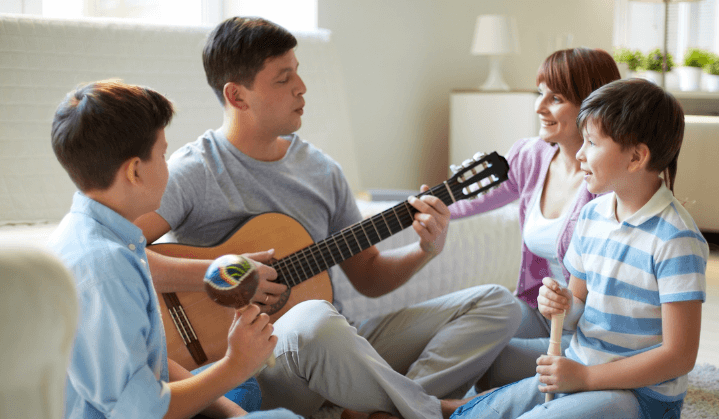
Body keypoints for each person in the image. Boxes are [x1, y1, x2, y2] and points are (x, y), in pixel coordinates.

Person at [133, 16, 521, 419]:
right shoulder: (193, 170)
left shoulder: (321, 170)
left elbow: (368, 275)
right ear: (237, 95)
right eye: (283, 79)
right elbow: (122, 253)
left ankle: (380, 409)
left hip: (337, 337)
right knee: (313, 317)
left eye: (297, 73)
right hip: (255, 357)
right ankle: (419, 409)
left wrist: (425, 249)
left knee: (497, 303)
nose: (301, 87)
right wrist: (220, 272)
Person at [450, 78, 708, 419]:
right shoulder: (592, 214)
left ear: (636, 157)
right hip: (582, 367)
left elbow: (679, 356)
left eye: (591, 143)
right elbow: (576, 312)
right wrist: (562, 305)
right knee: (474, 415)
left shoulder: (676, 239)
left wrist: (586, 377)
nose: (581, 154)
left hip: (640, 397)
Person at [47, 80, 302, 419]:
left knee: (244, 392)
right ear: (135, 171)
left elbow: (145, 362)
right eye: (163, 154)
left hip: (139, 401)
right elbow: (142, 411)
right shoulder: (107, 269)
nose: (169, 165)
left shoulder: (92, 232)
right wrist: (235, 364)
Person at [448, 47, 622, 391]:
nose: (539, 107)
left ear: (591, 105)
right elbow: (472, 201)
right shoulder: (530, 155)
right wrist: (430, 205)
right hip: (537, 311)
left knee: (487, 365)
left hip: (589, 330)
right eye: (540, 93)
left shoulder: (610, 181)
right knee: (463, 340)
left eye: (555, 98)